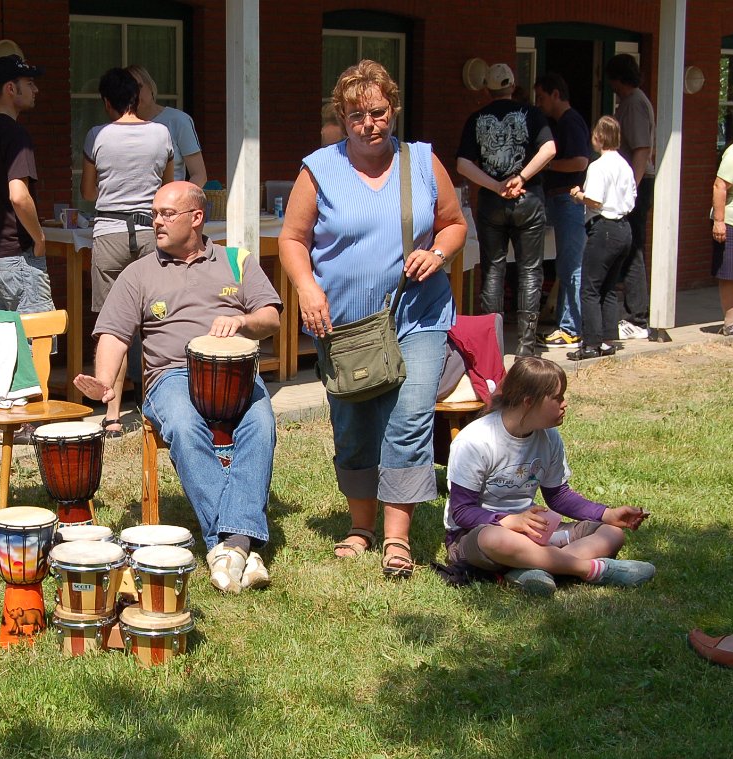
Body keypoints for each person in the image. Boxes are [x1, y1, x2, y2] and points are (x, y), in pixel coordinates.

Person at [279, 59, 467, 578]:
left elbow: (453, 224)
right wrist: (307, 288)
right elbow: (292, 239)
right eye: (357, 115)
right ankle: (361, 526)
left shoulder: (423, 162)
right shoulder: (318, 169)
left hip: (417, 314)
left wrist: (440, 253)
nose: (370, 124)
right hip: (343, 323)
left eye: (379, 112)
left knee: (409, 418)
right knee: (354, 424)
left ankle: (397, 539)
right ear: (342, 115)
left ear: (394, 108)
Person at [73, 181, 281, 595]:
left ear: (197, 218)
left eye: (167, 214)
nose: (157, 222)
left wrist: (241, 321)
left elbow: (271, 318)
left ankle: (229, 547)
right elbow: (114, 333)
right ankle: (241, 542)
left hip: (237, 373)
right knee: (186, 426)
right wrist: (103, 382)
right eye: (154, 214)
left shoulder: (237, 261)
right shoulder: (139, 272)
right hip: (170, 375)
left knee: (261, 421)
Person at [443, 357, 654, 596]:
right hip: (476, 536)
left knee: (611, 533)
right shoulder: (475, 441)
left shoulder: (549, 437)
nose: (565, 404)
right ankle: (589, 569)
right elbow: (461, 512)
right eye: (558, 397)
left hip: (534, 534)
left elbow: (559, 496)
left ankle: (531, 570)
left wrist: (608, 514)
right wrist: (508, 521)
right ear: (529, 402)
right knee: (496, 539)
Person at [81, 67, 174, 437]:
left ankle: (112, 416)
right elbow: (169, 187)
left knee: (110, 327)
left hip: (110, 233)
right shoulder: (161, 133)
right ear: (138, 97)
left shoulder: (96, 136)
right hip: (152, 233)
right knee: (158, 320)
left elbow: (89, 192)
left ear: (107, 101)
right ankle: (156, 404)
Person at [456, 63, 557, 358]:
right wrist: (521, 177)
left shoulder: (476, 118)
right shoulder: (533, 114)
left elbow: (463, 164)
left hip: (492, 201)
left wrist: (495, 185)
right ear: (512, 86)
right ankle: (527, 347)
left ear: (487, 89)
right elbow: (549, 149)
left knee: (492, 270)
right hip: (528, 198)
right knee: (529, 270)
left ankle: (492, 348)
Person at [0, 55, 53, 316]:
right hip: (17, 255)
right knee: (35, 344)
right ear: (10, 88)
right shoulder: (16, 134)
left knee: (3, 345)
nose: (36, 89)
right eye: (29, 83)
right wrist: (39, 238)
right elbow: (18, 195)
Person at [566, 116, 637, 362]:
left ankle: (591, 343)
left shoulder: (598, 167)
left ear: (598, 137)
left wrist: (578, 195)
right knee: (608, 287)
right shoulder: (625, 165)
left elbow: (595, 200)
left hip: (604, 226)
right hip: (624, 228)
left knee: (590, 288)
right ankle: (608, 340)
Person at [533, 74, 591, 349]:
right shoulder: (558, 123)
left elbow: (580, 161)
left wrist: (547, 166)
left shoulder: (570, 122)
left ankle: (571, 328)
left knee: (571, 265)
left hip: (568, 201)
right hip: (554, 200)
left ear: (556, 94)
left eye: (542, 97)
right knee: (561, 264)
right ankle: (565, 323)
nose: (539, 103)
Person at [606, 54, 655, 341]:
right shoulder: (633, 102)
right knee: (629, 248)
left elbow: (641, 148)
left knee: (633, 248)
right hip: (634, 182)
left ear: (618, 78)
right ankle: (632, 313)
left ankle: (637, 317)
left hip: (636, 183)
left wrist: (631, 190)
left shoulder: (635, 102)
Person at [126, 65, 207, 187]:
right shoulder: (119, 126)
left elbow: (199, 175)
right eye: (127, 90)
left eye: (139, 87)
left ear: (151, 87)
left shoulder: (178, 121)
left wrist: (179, 201)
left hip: (169, 202)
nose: (134, 94)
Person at [710, 142, 733, 336]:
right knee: (729, 273)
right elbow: (720, 186)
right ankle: (731, 322)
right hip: (731, 222)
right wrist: (719, 221)